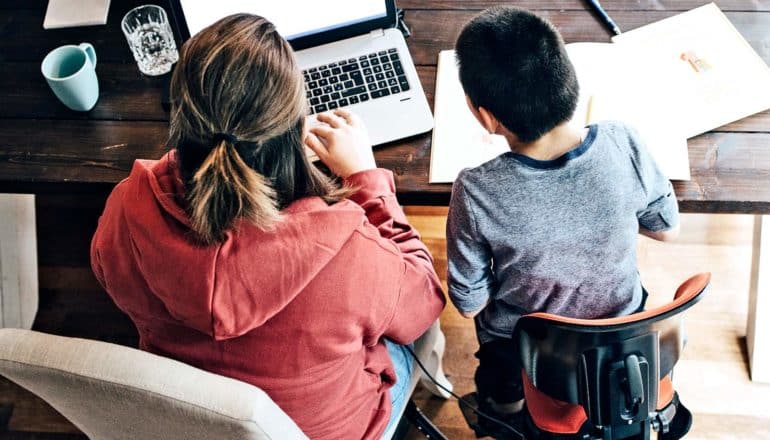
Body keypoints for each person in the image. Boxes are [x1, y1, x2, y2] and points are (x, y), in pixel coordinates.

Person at [90, 14, 445, 440]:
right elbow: (424, 301)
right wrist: (365, 179)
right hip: (331, 429)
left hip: (196, 419)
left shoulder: (126, 205)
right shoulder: (349, 252)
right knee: (407, 332)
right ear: (295, 127)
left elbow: (108, 275)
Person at [446, 6, 680, 435]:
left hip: (528, 351)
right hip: (623, 337)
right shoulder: (623, 141)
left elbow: (469, 304)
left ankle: (504, 412)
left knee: (495, 369)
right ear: (570, 81)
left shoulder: (476, 191)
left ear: (485, 116)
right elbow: (666, 229)